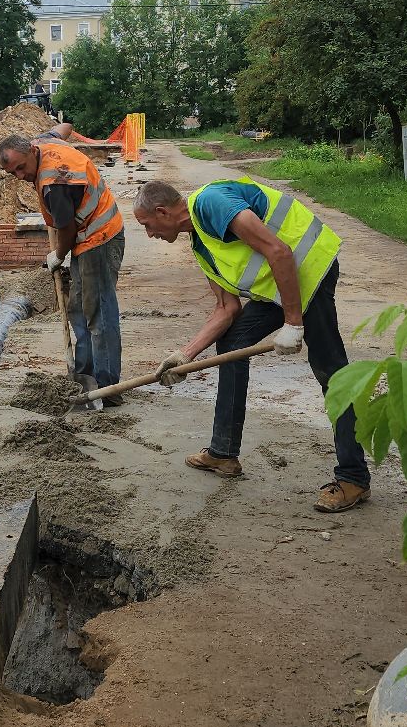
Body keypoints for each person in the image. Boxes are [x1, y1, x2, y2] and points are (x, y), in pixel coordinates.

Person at [130, 178, 370, 513]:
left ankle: (353, 478)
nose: (149, 233)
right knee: (232, 342)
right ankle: (223, 453)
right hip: (282, 284)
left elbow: (279, 251)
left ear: (162, 211)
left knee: (332, 374)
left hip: (307, 271)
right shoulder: (201, 246)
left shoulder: (211, 202)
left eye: (147, 225)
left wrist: (293, 323)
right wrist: (184, 356)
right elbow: (226, 310)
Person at [0, 133, 124, 394]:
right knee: (78, 307)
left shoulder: (55, 185)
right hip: (86, 240)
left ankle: (107, 388)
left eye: (21, 167)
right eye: (13, 172)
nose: (20, 175)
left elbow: (66, 228)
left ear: (32, 150)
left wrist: (58, 256)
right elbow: (63, 128)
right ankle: (85, 373)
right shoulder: (45, 142)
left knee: (98, 314)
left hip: (99, 237)